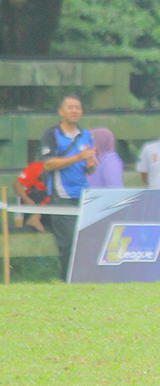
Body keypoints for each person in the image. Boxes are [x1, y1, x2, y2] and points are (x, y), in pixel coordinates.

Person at [39, 95, 97, 279]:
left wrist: (90, 164)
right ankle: (68, 280)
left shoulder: (86, 135)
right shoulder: (52, 134)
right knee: (68, 242)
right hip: (61, 195)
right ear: (61, 111)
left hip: (83, 193)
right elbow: (48, 164)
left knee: (86, 240)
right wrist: (77, 158)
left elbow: (90, 168)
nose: (75, 111)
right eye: (70, 107)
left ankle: (85, 278)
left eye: (78, 108)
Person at [13, 161, 50, 233]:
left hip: (53, 208)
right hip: (34, 205)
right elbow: (17, 185)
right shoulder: (36, 167)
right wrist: (30, 203)